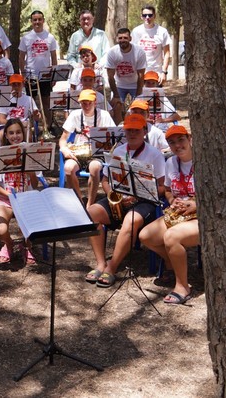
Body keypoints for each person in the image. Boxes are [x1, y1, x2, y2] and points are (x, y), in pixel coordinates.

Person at [86, 114, 166, 288]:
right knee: (91, 213)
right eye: (129, 130)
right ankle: (100, 263)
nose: (132, 133)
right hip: (119, 198)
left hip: (145, 201)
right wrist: (112, 197)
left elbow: (162, 188)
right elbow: (105, 180)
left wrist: (138, 196)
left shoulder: (155, 155)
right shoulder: (119, 151)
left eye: (136, 130)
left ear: (144, 131)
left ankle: (112, 267)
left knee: (131, 221)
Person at [138, 126, 198, 304]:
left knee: (171, 237)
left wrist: (195, 205)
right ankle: (173, 263)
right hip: (179, 213)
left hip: (202, 217)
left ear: (189, 138)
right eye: (172, 142)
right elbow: (168, 190)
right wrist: (172, 200)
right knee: (145, 236)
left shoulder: (205, 161)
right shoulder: (171, 162)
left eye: (181, 140)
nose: (177, 145)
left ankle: (182, 286)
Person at [0, 119, 43, 265]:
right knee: (0, 230)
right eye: (11, 133)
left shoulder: (31, 154)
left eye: (18, 132)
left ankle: (27, 246)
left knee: (32, 224)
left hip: (27, 198)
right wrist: (10, 195)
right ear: (6, 135)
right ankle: (9, 244)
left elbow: (35, 184)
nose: (15, 136)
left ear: (23, 134)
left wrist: (30, 171)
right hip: (6, 200)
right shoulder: (1, 155)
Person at [59, 89, 115, 204]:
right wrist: (64, 149)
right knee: (68, 169)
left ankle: (90, 203)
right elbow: (63, 139)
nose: (87, 105)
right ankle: (79, 201)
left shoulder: (104, 115)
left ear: (95, 102)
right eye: (84, 102)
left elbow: (114, 139)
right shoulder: (74, 115)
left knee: (94, 168)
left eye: (90, 102)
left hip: (96, 153)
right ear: (80, 103)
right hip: (78, 153)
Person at [19, 10, 59, 114]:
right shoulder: (26, 38)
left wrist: (54, 76)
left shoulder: (50, 37)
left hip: (46, 76)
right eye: (35, 20)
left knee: (46, 103)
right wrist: (23, 75)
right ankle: (31, 128)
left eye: (39, 19)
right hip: (30, 76)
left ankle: (48, 127)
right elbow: (21, 57)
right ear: (31, 21)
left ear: (43, 20)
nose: (37, 22)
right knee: (30, 103)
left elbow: (54, 57)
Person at [104, 28, 147, 122]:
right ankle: (119, 129)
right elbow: (110, 77)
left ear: (130, 38)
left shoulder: (139, 52)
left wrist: (138, 95)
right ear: (117, 39)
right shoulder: (112, 52)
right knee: (116, 106)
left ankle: (139, 126)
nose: (122, 40)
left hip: (135, 84)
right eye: (120, 38)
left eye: (125, 38)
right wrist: (116, 95)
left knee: (139, 106)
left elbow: (141, 75)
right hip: (119, 84)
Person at [131, 5, 171, 82]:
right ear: (141, 17)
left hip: (157, 73)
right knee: (141, 94)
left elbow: (167, 53)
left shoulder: (162, 31)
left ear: (154, 16)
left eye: (150, 15)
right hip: (140, 71)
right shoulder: (136, 31)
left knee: (156, 93)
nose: (147, 17)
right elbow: (132, 52)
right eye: (144, 15)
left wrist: (164, 72)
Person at [0, 74, 39, 139]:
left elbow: (36, 118)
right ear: (10, 85)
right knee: (2, 135)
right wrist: (17, 124)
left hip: (23, 126)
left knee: (28, 134)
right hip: (7, 125)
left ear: (23, 85)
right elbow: (1, 120)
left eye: (19, 84)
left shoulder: (29, 99)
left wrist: (36, 115)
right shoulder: (4, 98)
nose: (16, 87)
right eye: (14, 84)